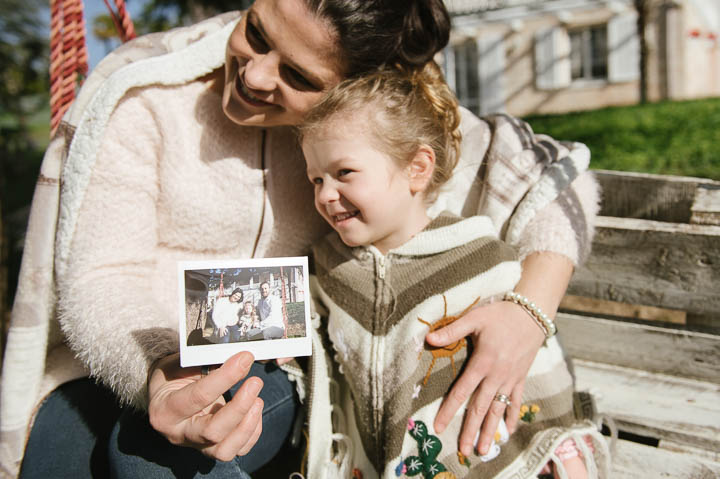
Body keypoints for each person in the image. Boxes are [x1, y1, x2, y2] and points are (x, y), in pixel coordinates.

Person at [0, 0, 600, 477]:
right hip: (127, 356)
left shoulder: (368, 119)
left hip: (276, 365)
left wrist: (529, 311)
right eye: (257, 32)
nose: (254, 74)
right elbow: (102, 280)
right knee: (59, 450)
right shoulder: (148, 96)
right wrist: (160, 364)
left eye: (298, 75)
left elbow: (549, 180)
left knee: (147, 458)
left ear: (353, 87)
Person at [297, 66, 607, 478]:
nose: (326, 195)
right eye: (315, 179)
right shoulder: (330, 266)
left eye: (344, 173)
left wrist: (554, 448)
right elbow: (318, 342)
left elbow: (526, 364)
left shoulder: (477, 258)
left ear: (417, 168)